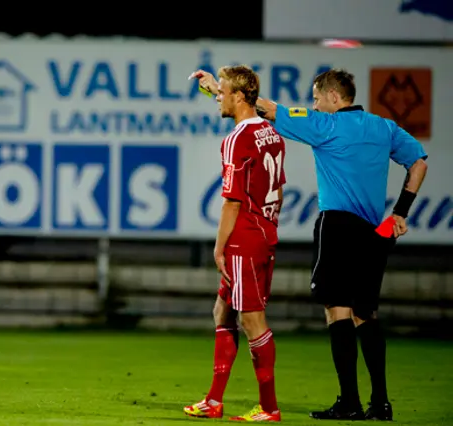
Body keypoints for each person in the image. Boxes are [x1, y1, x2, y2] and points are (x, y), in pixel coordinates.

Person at [192, 68, 428, 421]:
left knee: (337, 310)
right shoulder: (384, 127)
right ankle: (380, 401)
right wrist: (400, 212)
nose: (313, 104)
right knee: (367, 313)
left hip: (337, 226)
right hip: (373, 232)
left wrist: (216, 89)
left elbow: (263, 108)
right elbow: (419, 163)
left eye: (317, 98)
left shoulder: (324, 124)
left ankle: (348, 401)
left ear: (334, 97)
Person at [183, 65, 285, 422]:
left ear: (239, 97)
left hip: (243, 238)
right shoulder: (270, 134)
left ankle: (269, 408)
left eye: (222, 93)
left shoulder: (236, 140)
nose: (217, 99)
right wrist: (214, 86)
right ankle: (213, 401)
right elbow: (280, 190)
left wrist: (219, 246)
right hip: (263, 233)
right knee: (222, 310)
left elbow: (232, 202)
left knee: (253, 321)